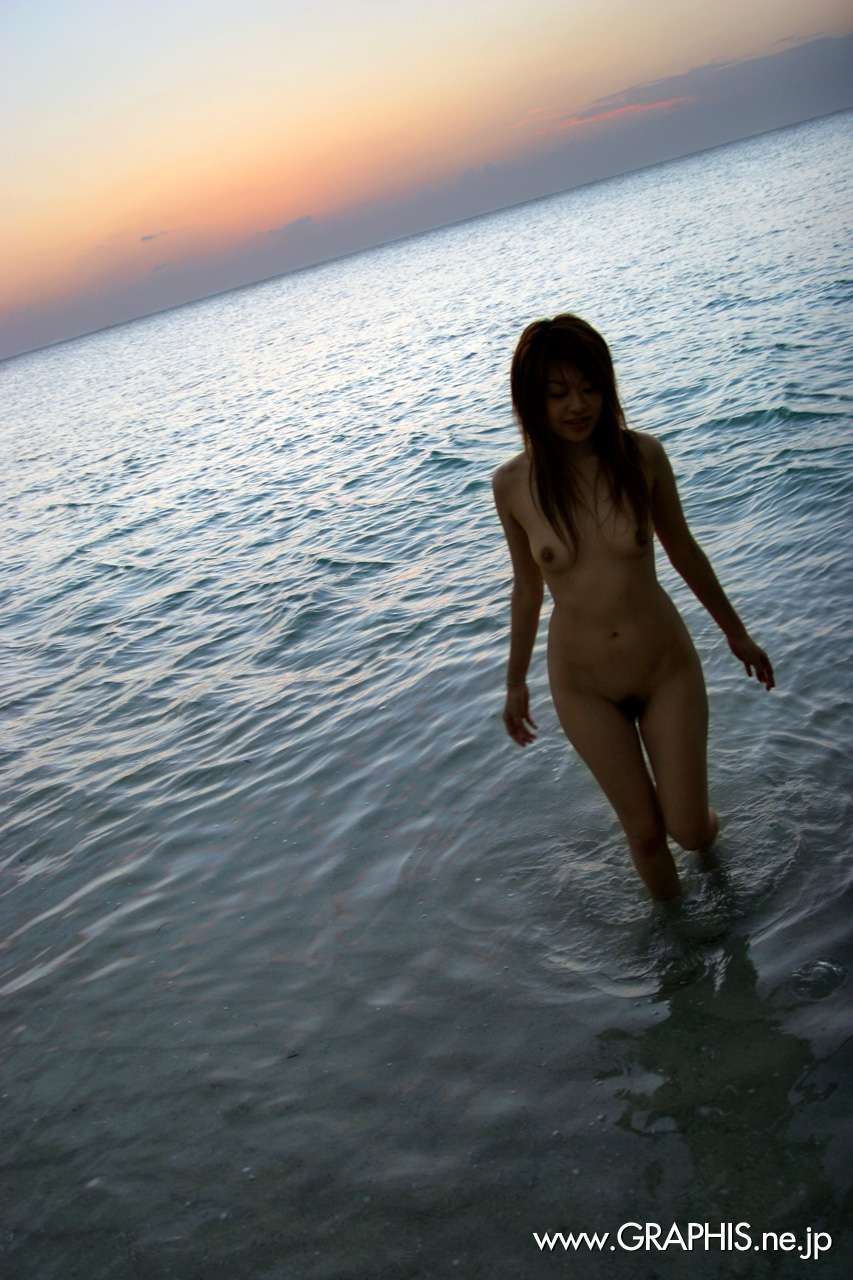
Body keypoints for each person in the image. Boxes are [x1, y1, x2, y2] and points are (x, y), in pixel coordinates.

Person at [492, 314, 774, 901]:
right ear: (531, 400)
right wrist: (515, 682)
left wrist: (736, 633)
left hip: (664, 666)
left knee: (689, 831)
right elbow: (527, 587)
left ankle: (717, 866)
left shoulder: (641, 456)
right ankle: (682, 946)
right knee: (644, 835)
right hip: (582, 684)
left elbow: (684, 550)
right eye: (558, 393)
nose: (578, 405)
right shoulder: (512, 485)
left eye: (590, 388)